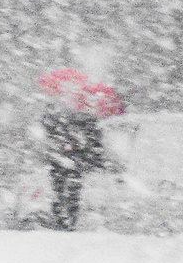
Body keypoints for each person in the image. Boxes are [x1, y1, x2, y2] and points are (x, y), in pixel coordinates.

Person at [36, 68, 125, 231]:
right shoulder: (84, 112)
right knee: (67, 188)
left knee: (63, 187)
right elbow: (94, 139)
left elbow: (50, 129)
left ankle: (63, 219)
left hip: (66, 156)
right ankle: (66, 219)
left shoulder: (61, 111)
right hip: (69, 156)